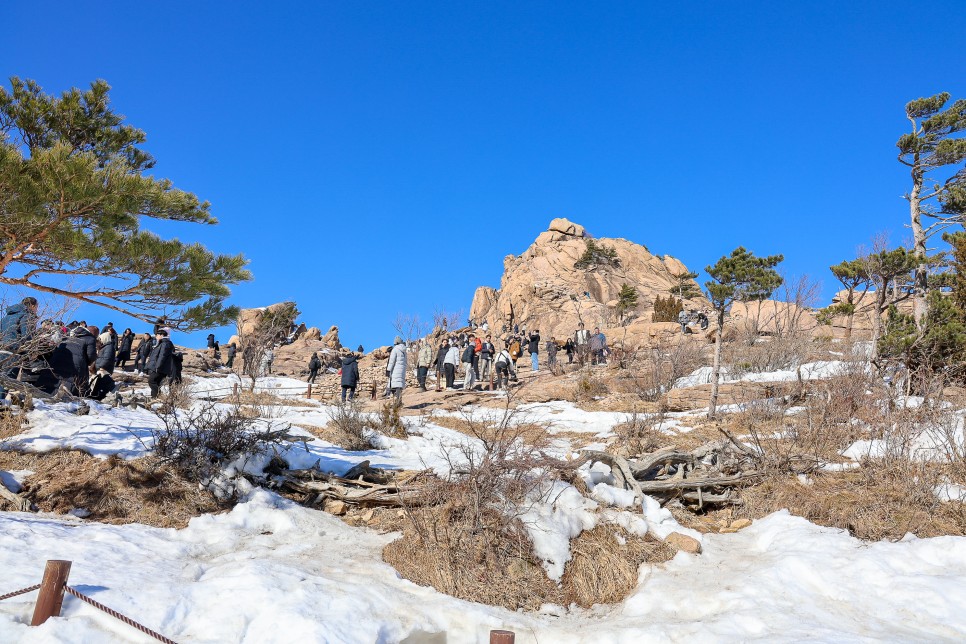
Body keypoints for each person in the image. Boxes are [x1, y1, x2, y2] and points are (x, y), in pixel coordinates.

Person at [146, 329, 174, 398]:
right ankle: (154, 398)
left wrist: (157, 367)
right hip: (160, 368)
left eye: (157, 335)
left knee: (151, 381)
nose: (156, 336)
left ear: (162, 335)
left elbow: (162, 356)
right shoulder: (162, 343)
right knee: (156, 382)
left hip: (160, 368)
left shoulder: (165, 343)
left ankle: (158, 395)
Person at [386, 336, 408, 402]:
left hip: (395, 370)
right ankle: (399, 401)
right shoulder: (404, 351)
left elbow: (392, 361)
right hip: (402, 371)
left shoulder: (395, 349)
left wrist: (388, 369)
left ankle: (395, 403)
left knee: (394, 386)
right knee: (399, 387)